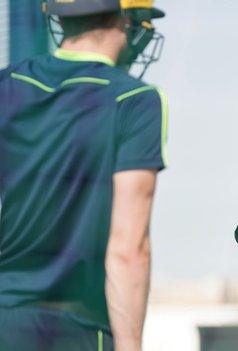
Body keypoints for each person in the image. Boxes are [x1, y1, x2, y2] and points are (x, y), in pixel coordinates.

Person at [0, 1, 168, 350]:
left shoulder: (8, 85)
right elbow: (128, 249)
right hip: (77, 328)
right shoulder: (134, 100)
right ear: (126, 19)